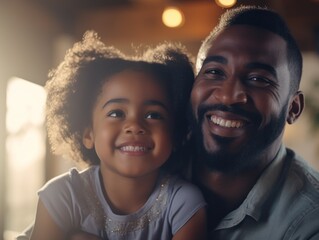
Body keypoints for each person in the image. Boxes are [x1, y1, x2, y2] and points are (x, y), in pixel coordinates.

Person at [26, 31, 206, 240]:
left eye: (153, 115)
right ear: (88, 132)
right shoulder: (62, 196)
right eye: (116, 113)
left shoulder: (185, 203)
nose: (135, 126)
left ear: (175, 133)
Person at [190, 5, 319, 239]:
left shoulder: (310, 222)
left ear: (293, 108)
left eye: (258, 79)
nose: (228, 95)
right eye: (214, 72)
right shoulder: (151, 168)